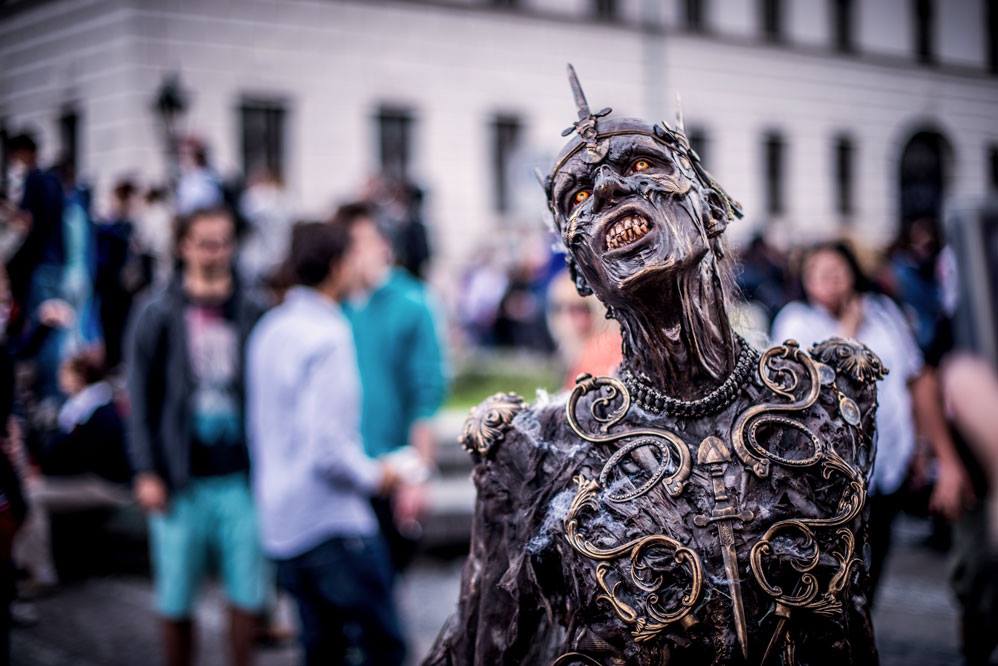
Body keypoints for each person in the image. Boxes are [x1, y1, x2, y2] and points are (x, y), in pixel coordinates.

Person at [428, 66, 879, 665]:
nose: (611, 191)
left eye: (641, 165)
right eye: (580, 196)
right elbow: (478, 648)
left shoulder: (832, 396)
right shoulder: (532, 452)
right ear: (580, 273)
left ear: (712, 207)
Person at [771, 240, 972, 602]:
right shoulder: (795, 320)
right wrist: (848, 330)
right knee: (832, 581)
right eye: (819, 273)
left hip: (887, 469)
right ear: (804, 280)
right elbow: (808, 391)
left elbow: (917, 380)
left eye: (837, 270)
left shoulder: (882, 312)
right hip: (827, 482)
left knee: (873, 569)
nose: (830, 280)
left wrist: (926, 449)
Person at [247, 221, 406, 666]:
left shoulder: (270, 327)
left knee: (322, 651)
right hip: (330, 524)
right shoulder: (328, 335)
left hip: (282, 524)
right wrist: (380, 475)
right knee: (384, 648)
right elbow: (329, 451)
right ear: (337, 267)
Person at [125, 206, 267, 666]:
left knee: (247, 592)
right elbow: (140, 397)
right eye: (205, 242)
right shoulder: (156, 311)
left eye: (224, 241)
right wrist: (146, 469)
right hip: (179, 476)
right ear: (183, 245)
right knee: (176, 596)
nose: (216, 251)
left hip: (241, 475)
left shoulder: (251, 307)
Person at [335, 202, 445, 574]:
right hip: (343, 471)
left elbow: (426, 394)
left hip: (393, 467)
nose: (351, 253)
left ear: (384, 245)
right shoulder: (335, 305)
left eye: (359, 242)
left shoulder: (412, 303)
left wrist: (418, 476)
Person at [545, 267, 622, 389]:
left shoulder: (605, 349)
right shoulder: (574, 351)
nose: (566, 319)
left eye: (578, 309)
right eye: (559, 307)